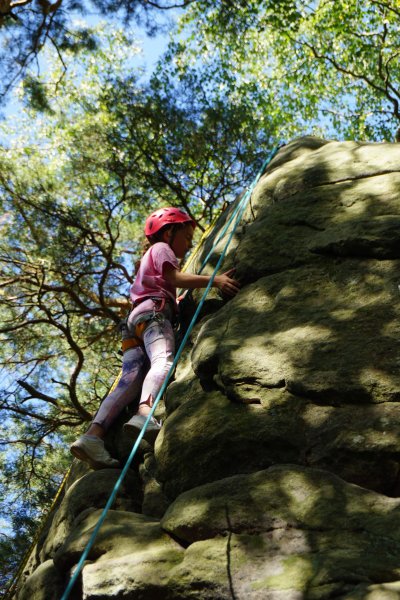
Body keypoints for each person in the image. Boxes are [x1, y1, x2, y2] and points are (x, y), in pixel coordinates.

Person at [70, 206, 240, 469]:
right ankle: (144, 414)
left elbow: (163, 284)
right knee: (162, 360)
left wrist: (175, 300)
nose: (187, 245)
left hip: (134, 321)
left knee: (128, 381)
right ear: (169, 232)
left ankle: (93, 437)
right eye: (185, 237)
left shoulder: (147, 263)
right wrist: (214, 281)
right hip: (152, 313)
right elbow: (173, 276)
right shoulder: (161, 248)